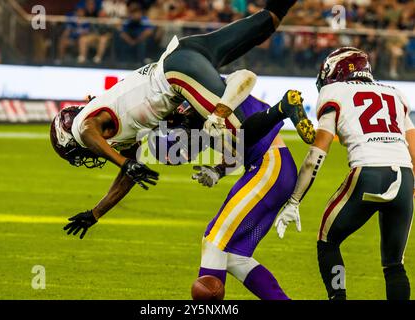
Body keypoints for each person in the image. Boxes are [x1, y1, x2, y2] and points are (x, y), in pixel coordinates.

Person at [50, 0, 315, 235]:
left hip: (177, 75)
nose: (83, 156)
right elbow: (129, 175)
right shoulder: (111, 129)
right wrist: (96, 212)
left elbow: (88, 132)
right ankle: (229, 91)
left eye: (75, 152)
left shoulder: (85, 126)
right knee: (267, 22)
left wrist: (122, 162)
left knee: (238, 140)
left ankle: (280, 105)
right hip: (185, 54)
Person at [275, 47, 415, 300]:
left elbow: (317, 153)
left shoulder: (334, 92)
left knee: (328, 241)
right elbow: (414, 149)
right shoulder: (396, 93)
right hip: (404, 177)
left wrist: (295, 200)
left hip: (369, 172)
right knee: (394, 264)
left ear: (335, 70)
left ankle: (338, 297)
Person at [148, 91, 299, 300]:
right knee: (234, 257)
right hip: (270, 168)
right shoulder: (210, 113)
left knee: (214, 243)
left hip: (269, 165)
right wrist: (218, 170)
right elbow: (238, 147)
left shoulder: (214, 105)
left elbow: (242, 137)